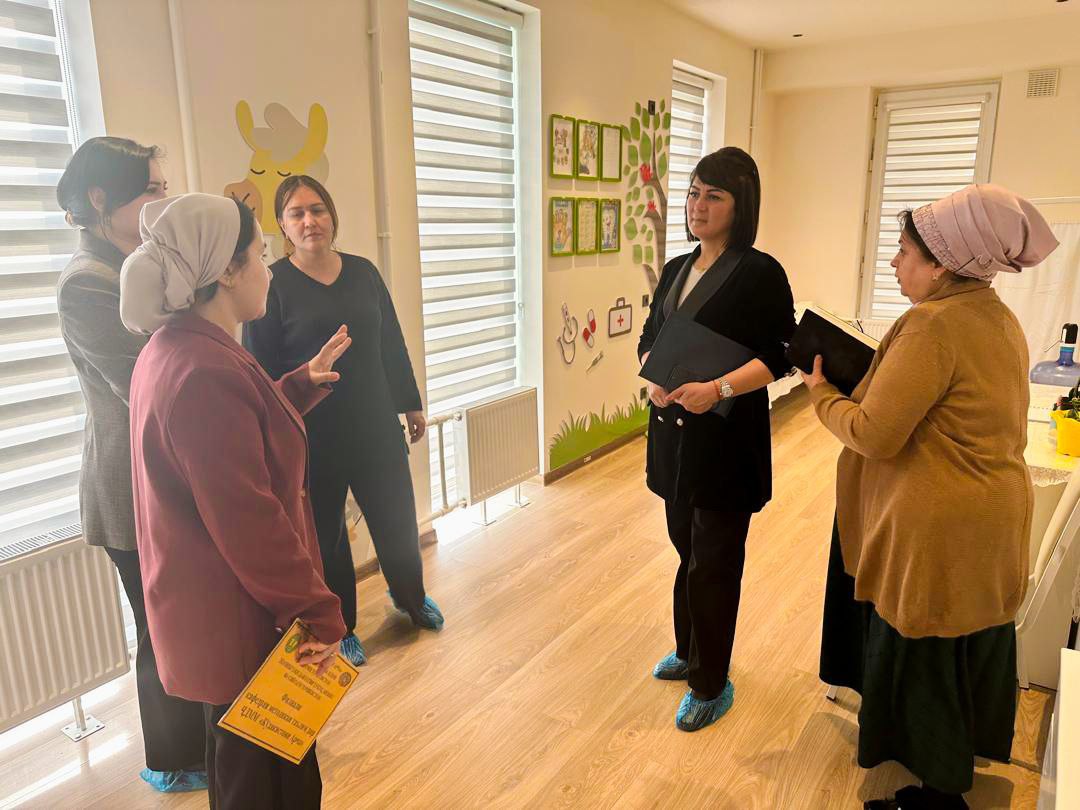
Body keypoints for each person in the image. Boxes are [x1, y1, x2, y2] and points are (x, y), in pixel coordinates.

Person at [801, 184, 1059, 810]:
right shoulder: (996, 316)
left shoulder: (931, 325)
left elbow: (874, 434)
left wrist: (821, 393)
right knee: (962, 645)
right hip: (990, 515)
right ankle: (952, 770)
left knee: (927, 652)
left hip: (940, 528)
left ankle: (939, 795)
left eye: (903, 252)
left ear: (941, 264)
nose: (893, 262)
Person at [121, 193, 351, 809]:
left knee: (248, 777)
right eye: (259, 255)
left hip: (222, 618)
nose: (268, 271)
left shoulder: (180, 348)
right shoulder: (204, 371)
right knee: (268, 789)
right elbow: (250, 523)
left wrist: (298, 385)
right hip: (242, 624)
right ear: (225, 270)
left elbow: (234, 441)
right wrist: (320, 611)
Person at [55, 137, 207, 793]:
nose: (162, 199)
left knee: (183, 618)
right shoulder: (87, 283)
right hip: (130, 483)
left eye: (162, 187)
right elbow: (150, 380)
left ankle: (199, 744)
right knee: (159, 625)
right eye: (150, 189)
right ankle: (175, 759)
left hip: (166, 470)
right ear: (100, 199)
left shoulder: (135, 263)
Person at [244, 175, 442, 668]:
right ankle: (344, 626)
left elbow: (390, 341)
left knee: (397, 518)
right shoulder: (272, 284)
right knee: (326, 537)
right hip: (314, 435)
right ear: (283, 226)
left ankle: (411, 597)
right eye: (296, 213)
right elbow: (261, 370)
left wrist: (410, 403)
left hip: (375, 423)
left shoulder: (363, 272)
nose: (309, 221)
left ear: (331, 215)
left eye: (317, 209)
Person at [637, 147, 796, 732]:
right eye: (693, 193)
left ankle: (711, 682)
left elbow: (782, 355)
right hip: (675, 438)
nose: (697, 206)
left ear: (740, 205)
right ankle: (689, 651)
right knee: (686, 548)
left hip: (726, 444)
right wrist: (655, 378)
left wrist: (720, 388)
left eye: (714, 196)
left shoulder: (760, 273)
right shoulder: (677, 268)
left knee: (715, 562)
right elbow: (650, 339)